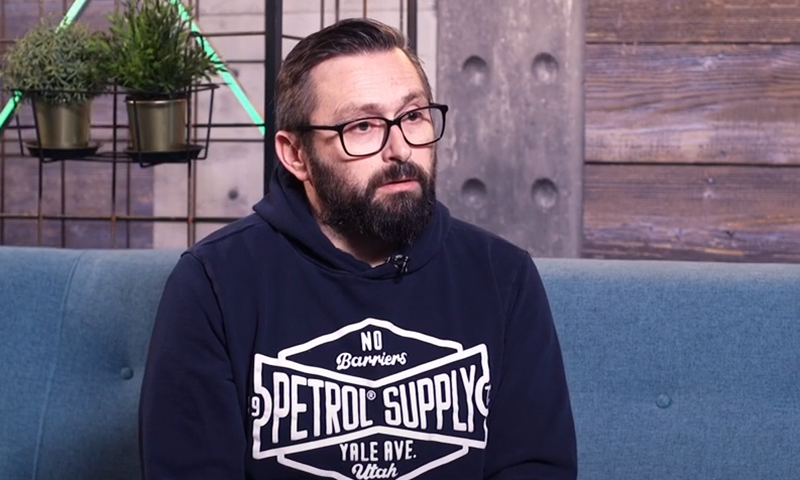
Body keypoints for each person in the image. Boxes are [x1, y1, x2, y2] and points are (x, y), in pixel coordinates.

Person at [139, 17, 577, 480]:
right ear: (296, 155)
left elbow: (536, 468)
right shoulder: (213, 283)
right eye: (363, 126)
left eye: (413, 116)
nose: (400, 149)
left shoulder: (502, 276)